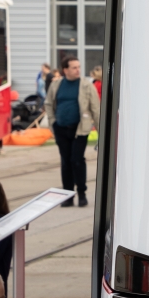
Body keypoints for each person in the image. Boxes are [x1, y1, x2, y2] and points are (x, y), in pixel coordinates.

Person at [43, 57, 99, 208]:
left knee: (77, 160)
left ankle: (82, 193)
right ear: (65, 70)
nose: (78, 70)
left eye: (79, 67)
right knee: (66, 162)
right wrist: (53, 122)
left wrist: (102, 134)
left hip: (80, 129)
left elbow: (96, 110)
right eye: (74, 67)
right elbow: (48, 104)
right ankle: (67, 195)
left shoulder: (87, 86)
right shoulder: (56, 85)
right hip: (61, 128)